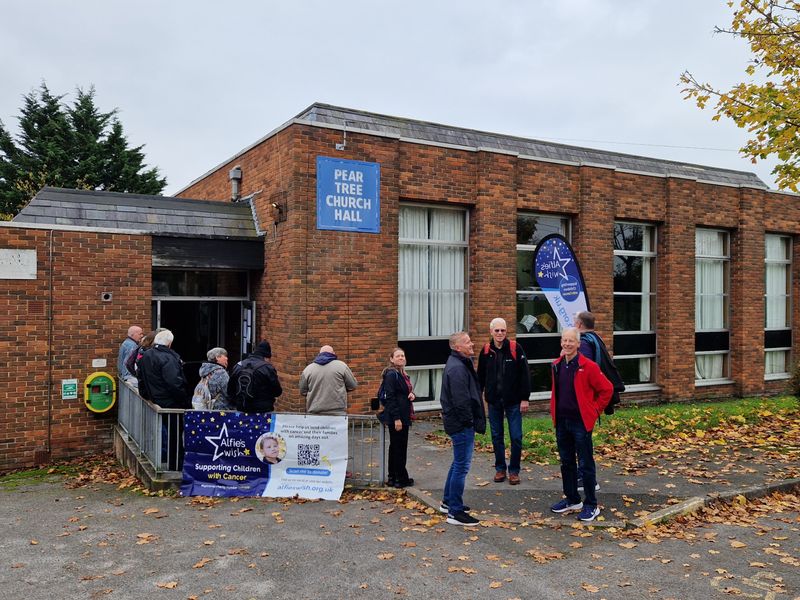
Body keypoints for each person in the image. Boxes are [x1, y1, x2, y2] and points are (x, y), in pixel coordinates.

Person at [549, 327, 613, 522]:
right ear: (561, 343)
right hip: (562, 422)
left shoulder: (589, 366)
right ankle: (572, 499)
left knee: (585, 464)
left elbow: (607, 389)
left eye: (571, 341)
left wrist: (594, 411)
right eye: (564, 341)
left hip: (581, 423)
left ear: (578, 344)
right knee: (566, 463)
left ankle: (591, 505)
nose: (567, 344)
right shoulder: (557, 365)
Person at [477, 317, 531, 485]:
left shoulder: (516, 348)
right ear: (491, 331)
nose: (500, 333)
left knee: (516, 437)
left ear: (506, 331)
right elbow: (480, 377)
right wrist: (479, 397)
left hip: (514, 401)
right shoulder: (486, 351)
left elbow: (525, 375)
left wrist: (525, 398)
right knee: (496, 436)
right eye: (497, 330)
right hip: (494, 401)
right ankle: (500, 469)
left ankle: (514, 471)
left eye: (503, 330)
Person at [440, 331, 485, 526]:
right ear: (457, 347)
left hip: (458, 422)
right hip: (461, 424)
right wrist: (470, 422)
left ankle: (448, 501)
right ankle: (454, 512)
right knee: (461, 466)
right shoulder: (457, 368)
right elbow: (461, 401)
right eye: (467, 342)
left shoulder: (459, 363)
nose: (472, 344)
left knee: (457, 463)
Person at [574, 310, 605, 492]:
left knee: (583, 442)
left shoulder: (585, 343)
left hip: (584, 402)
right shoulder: (596, 339)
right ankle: (584, 476)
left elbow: (583, 372)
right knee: (583, 441)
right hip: (588, 401)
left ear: (579, 325)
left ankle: (587, 479)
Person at [379, 347, 415, 488]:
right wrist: (396, 419)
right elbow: (391, 398)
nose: (401, 358)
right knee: (399, 447)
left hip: (403, 414)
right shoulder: (391, 374)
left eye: (403, 355)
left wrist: (412, 395)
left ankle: (394, 477)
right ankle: (400, 478)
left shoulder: (402, 374)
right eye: (398, 356)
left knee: (396, 447)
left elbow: (403, 394)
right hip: (398, 417)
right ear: (391, 359)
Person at [137, 329, 189, 408]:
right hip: (168, 401)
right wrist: (184, 401)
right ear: (169, 343)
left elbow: (140, 375)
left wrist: (144, 393)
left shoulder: (147, 354)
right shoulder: (168, 358)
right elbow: (173, 382)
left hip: (153, 398)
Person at [300, 345, 357, 415]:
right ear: (333, 353)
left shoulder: (308, 369)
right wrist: (340, 389)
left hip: (315, 412)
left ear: (319, 354)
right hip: (338, 412)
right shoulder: (342, 366)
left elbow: (303, 391)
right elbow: (353, 385)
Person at [227, 341, 282, 413]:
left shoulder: (238, 365)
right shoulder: (267, 368)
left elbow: (230, 390)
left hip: (242, 409)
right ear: (266, 357)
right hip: (263, 411)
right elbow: (277, 392)